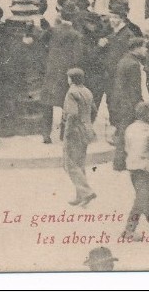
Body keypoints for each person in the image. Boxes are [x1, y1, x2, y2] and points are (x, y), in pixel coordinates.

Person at [121, 102, 149, 239]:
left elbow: (127, 148)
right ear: (147, 115)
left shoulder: (130, 128)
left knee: (144, 193)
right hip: (144, 166)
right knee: (141, 197)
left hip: (132, 166)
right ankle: (129, 230)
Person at [108, 37, 149, 171]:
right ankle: (120, 162)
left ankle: (119, 162)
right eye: (144, 47)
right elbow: (134, 89)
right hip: (128, 104)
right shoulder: (133, 65)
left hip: (120, 102)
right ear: (136, 48)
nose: (146, 50)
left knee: (123, 132)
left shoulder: (124, 60)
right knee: (125, 132)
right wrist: (139, 104)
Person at [61, 68, 96, 207]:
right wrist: (88, 124)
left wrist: (67, 132)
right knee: (80, 163)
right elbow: (94, 111)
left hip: (74, 131)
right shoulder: (87, 91)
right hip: (86, 130)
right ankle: (80, 196)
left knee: (69, 164)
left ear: (71, 79)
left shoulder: (71, 92)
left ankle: (87, 192)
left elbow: (72, 114)